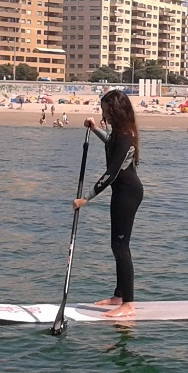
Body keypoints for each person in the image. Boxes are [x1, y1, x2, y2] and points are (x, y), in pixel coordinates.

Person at [72, 90, 144, 319]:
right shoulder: (120, 133)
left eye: (105, 109)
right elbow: (111, 144)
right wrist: (95, 130)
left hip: (128, 193)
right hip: (122, 193)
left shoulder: (124, 135)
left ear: (115, 110)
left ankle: (128, 304)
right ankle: (119, 296)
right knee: (117, 245)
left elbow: (111, 173)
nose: (103, 113)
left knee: (121, 247)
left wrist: (86, 198)